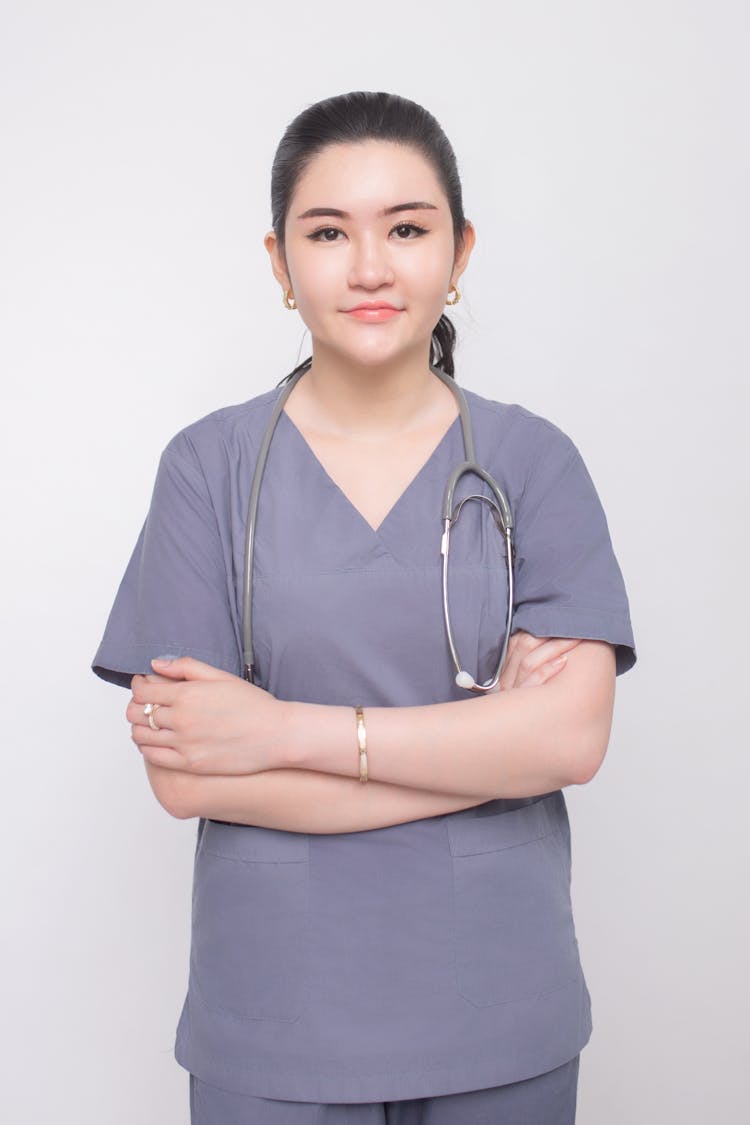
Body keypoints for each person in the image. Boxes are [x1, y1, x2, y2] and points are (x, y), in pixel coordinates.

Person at [92, 91, 636, 1125]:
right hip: (277, 1015)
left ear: (460, 250)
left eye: (408, 229)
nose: (371, 266)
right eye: (330, 231)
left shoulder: (533, 464)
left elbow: (570, 740)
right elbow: (183, 777)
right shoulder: (209, 470)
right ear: (279, 262)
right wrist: (486, 751)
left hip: (496, 1007)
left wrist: (279, 731)